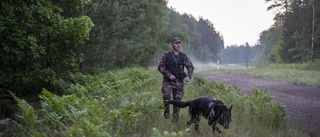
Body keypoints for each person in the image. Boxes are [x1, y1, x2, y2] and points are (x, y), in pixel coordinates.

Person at [158, 37, 194, 123]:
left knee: (177, 101)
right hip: (168, 81)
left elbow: (190, 67)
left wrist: (188, 76)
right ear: (172, 44)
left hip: (179, 82)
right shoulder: (166, 56)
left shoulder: (183, 56)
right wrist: (169, 75)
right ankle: (166, 110)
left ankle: (175, 120)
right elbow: (160, 67)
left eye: (179, 43)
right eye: (176, 43)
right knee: (167, 95)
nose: (178, 45)